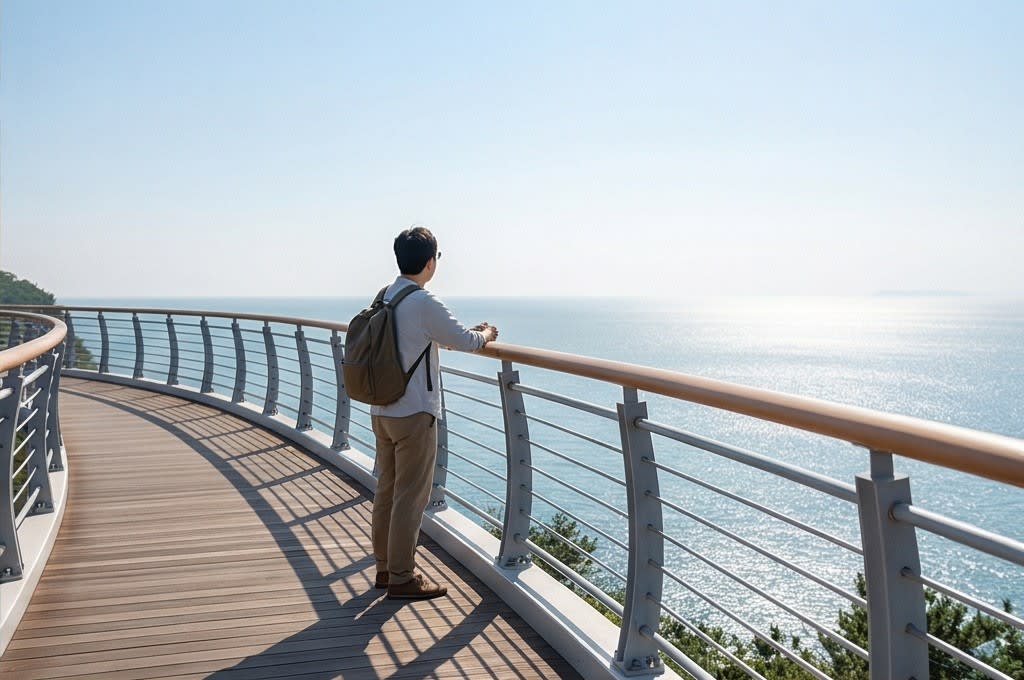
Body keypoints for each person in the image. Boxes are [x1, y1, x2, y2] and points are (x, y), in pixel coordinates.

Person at [370, 226, 498, 600]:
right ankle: (402, 577)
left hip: (382, 410)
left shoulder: (385, 296)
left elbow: (430, 338)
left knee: (388, 490)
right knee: (411, 496)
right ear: (430, 262)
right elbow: (464, 341)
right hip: (414, 414)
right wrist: (486, 333)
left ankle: (384, 569)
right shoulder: (425, 302)